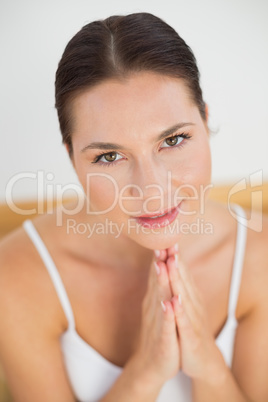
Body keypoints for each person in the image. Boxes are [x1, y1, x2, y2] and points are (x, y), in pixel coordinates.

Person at [0, 11, 267, 402]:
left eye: (174, 140)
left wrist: (208, 367)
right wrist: (145, 371)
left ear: (205, 121)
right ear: (72, 158)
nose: (152, 189)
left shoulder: (260, 256)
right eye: (109, 156)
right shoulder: (16, 275)